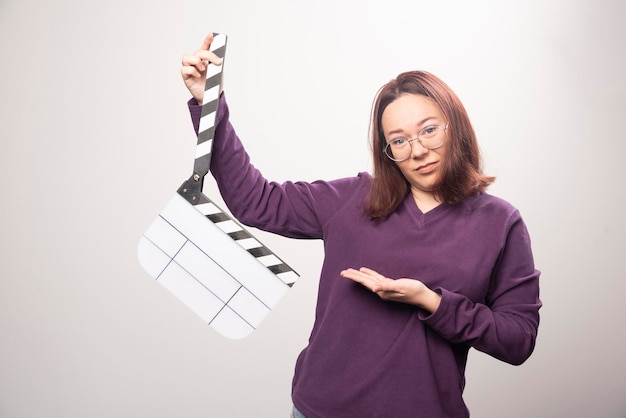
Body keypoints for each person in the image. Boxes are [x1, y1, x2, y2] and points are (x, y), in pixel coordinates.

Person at [180, 33, 541, 418]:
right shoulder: (353, 199)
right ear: (388, 152)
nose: (417, 150)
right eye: (398, 141)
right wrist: (209, 103)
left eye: (429, 130)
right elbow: (256, 201)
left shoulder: (500, 223)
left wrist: (431, 301)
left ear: (455, 126)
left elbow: (518, 340)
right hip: (319, 410)